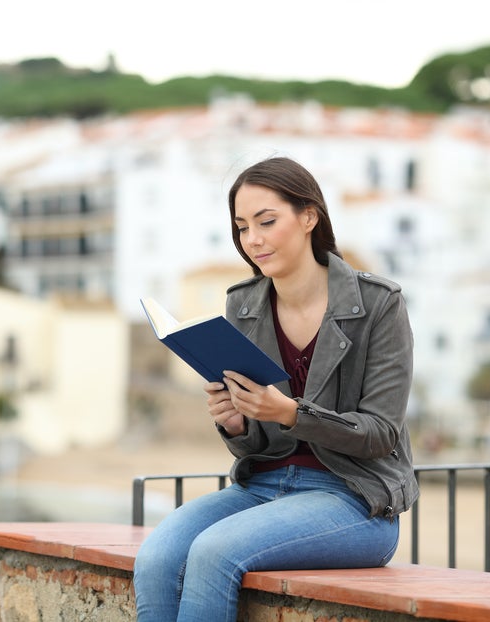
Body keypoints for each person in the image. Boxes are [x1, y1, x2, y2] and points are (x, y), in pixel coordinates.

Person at [133, 156, 418, 622]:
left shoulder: (378, 304)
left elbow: (381, 433)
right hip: (262, 489)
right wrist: (236, 423)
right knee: (158, 555)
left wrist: (290, 412)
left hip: (355, 499)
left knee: (214, 552)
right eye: (242, 227)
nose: (253, 240)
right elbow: (255, 445)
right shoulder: (243, 304)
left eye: (266, 222)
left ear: (309, 217)